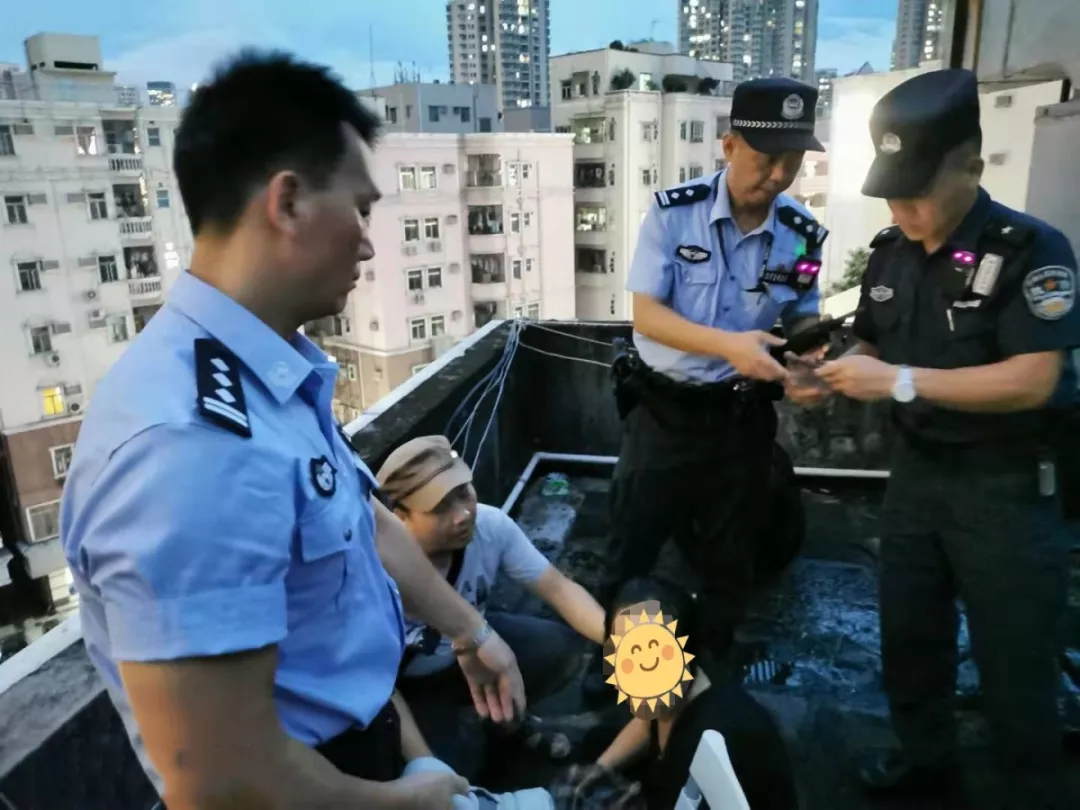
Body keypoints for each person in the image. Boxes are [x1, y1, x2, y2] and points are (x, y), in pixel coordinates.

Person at [59, 51, 527, 810]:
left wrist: (470, 634)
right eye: (361, 208)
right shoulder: (186, 447)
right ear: (287, 202)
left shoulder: (262, 379)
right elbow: (223, 785)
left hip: (360, 747)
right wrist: (413, 802)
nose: (368, 242)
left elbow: (359, 520)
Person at [808, 68, 1077, 810]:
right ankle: (925, 760)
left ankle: (1032, 789)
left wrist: (898, 381)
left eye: (918, 192)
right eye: (892, 193)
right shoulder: (892, 252)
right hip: (918, 478)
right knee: (910, 634)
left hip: (1007, 487)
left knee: (1015, 656)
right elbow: (870, 342)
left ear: (971, 166)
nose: (903, 208)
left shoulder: (1030, 250)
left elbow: (1033, 379)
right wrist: (831, 373)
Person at [609, 76, 829, 659]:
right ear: (730, 146)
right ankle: (615, 669)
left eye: (793, 160)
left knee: (732, 556)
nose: (778, 175)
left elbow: (802, 314)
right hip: (664, 410)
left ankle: (712, 667)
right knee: (633, 545)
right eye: (766, 158)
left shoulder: (802, 236)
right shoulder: (673, 215)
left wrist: (809, 361)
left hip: (742, 416)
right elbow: (647, 317)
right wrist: (729, 345)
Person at [377, 435, 607, 779]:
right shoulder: (375, 575)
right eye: (440, 507)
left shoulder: (489, 526)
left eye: (464, 492)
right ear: (400, 516)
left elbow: (558, 588)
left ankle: (508, 727)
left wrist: (625, 641)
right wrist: (426, 766)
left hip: (479, 647)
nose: (463, 514)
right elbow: (377, 685)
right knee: (449, 777)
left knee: (556, 647)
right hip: (411, 686)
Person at [571, 577, 799, 810]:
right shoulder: (691, 679)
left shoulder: (701, 745)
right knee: (596, 743)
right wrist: (599, 769)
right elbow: (647, 722)